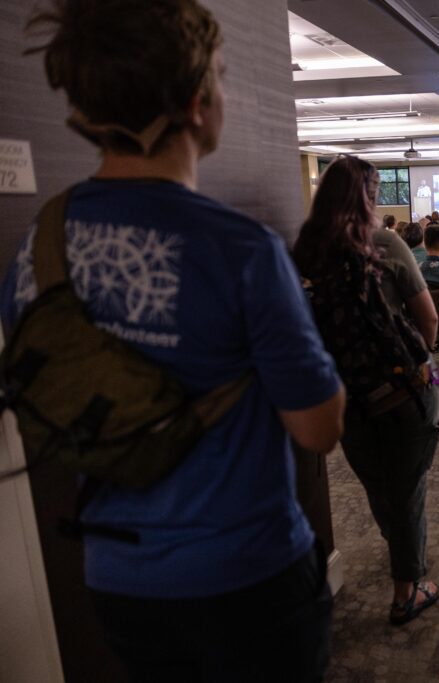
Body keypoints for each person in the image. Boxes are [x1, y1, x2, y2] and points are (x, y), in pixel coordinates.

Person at [1, 2, 346, 679]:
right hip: (247, 579)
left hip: (114, 578)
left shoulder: (35, 248)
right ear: (196, 103)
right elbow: (318, 428)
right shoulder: (240, 250)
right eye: (220, 76)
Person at [294, 155, 439, 629]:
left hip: (346, 397)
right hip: (408, 390)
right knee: (408, 489)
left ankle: (402, 550)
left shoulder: (303, 253)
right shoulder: (383, 242)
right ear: (369, 198)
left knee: (379, 483)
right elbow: (431, 322)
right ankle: (407, 590)